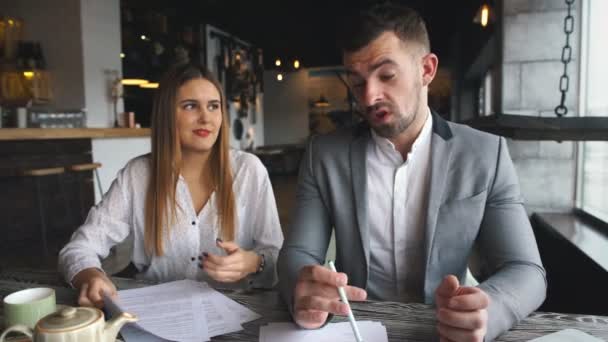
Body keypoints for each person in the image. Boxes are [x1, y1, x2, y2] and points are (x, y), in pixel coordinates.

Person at [277, 3, 546, 341]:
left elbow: (526, 271)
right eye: (357, 82)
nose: (369, 96)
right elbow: (298, 254)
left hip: (444, 331)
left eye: (386, 75)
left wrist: (490, 310)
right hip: (357, 329)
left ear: (427, 69)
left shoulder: (485, 154)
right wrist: (302, 291)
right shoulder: (324, 155)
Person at [59, 63, 283, 308]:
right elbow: (79, 248)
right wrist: (91, 276)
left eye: (213, 106)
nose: (206, 117)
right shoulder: (138, 175)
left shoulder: (249, 170)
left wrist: (253, 262)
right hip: (156, 312)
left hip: (237, 311)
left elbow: (277, 258)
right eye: (190, 106)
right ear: (167, 114)